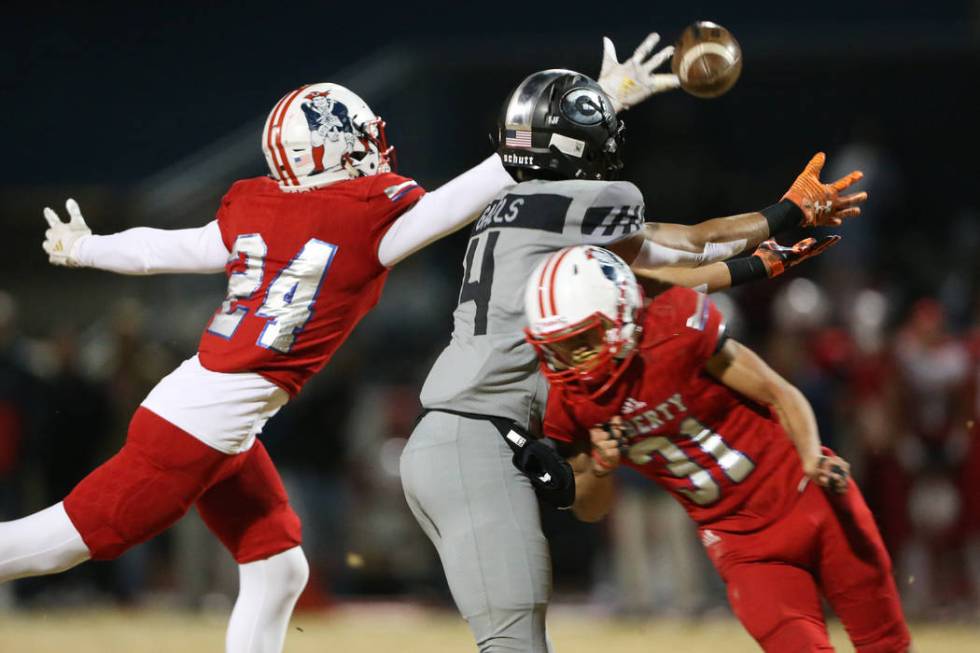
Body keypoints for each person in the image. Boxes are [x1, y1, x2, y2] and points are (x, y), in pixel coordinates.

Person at [0, 35, 664, 652]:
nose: (376, 145)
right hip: (198, 427)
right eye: (361, 137)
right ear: (334, 147)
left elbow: (174, 247)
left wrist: (87, 247)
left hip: (209, 408)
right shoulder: (362, 219)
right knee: (64, 540)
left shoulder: (261, 206)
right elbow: (452, 204)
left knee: (278, 562)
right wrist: (562, 128)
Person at [400, 64, 865, 651]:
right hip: (482, 439)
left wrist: (771, 243)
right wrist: (779, 227)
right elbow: (674, 259)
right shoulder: (593, 202)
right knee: (515, 644)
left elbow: (655, 268)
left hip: (456, 439)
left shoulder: (521, 212)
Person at [525, 245, 912, 652]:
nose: (572, 361)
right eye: (559, 347)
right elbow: (591, 508)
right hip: (743, 548)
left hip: (810, 498)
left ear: (620, 313)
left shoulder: (675, 327)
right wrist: (601, 467)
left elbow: (779, 392)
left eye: (583, 340)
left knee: (886, 645)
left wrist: (813, 454)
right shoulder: (570, 402)